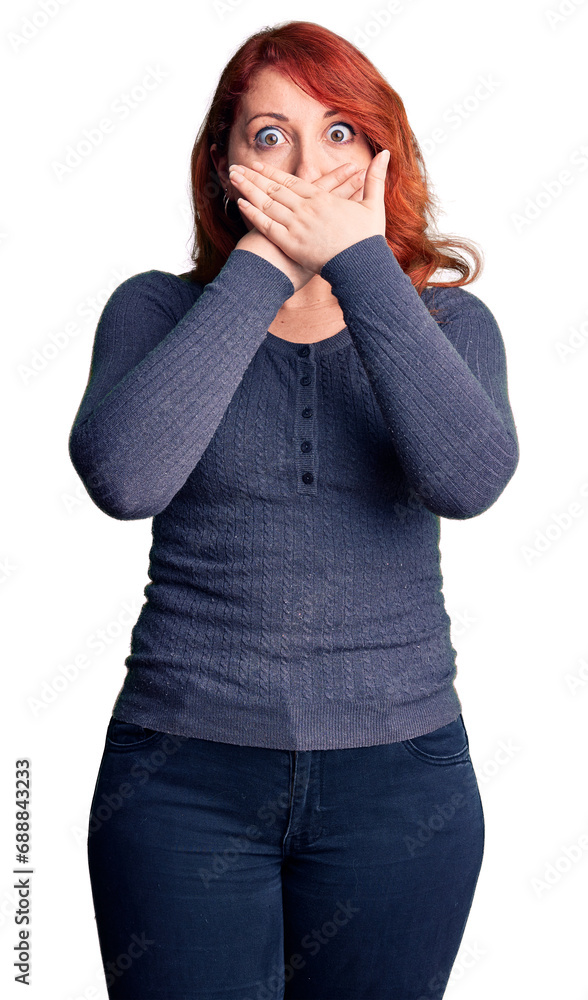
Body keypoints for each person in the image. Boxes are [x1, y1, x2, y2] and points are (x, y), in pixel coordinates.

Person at [68, 20, 520, 1000]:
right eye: (270, 135)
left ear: (380, 152)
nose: (307, 164)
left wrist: (356, 263)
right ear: (225, 161)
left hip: (400, 787)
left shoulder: (447, 323)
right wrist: (269, 261)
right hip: (179, 781)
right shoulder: (151, 311)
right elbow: (124, 480)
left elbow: (470, 480)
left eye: (338, 133)